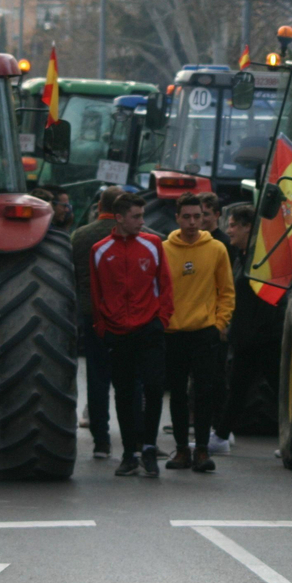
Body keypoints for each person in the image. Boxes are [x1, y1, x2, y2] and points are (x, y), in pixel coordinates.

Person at [89, 193, 173, 478]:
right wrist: (103, 328)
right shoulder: (100, 250)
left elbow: (165, 284)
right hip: (117, 331)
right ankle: (129, 453)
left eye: (142, 216)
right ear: (120, 218)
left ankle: (149, 447)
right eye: (136, 217)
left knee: (152, 388)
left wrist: (161, 319)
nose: (142, 222)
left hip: (149, 327)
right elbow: (96, 292)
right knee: (124, 394)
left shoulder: (153, 245)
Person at [162, 193, 233, 473]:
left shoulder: (216, 249)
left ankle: (201, 449)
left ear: (204, 218)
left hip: (205, 332)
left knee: (204, 393)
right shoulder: (165, 249)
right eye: (187, 217)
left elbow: (226, 291)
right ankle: (181, 449)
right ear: (177, 218)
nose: (193, 222)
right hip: (173, 332)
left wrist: (219, 324)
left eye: (198, 216)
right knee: (177, 394)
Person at [212, 202, 282, 453]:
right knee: (238, 389)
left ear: (247, 227)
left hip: (262, 339)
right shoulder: (241, 259)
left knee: (278, 391)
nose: (228, 231)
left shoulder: (260, 262)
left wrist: (251, 334)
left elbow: (267, 303)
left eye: (232, 226)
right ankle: (220, 437)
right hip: (246, 337)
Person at [71, 185, 125, 458]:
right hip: (131, 318)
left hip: (93, 317)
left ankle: (101, 441)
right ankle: (135, 441)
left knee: (98, 377)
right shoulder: (146, 237)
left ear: (100, 206)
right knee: (132, 379)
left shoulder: (80, 237)